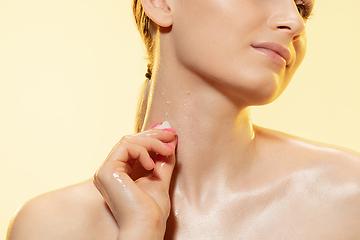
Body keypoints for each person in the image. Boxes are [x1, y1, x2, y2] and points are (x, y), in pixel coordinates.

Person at [6, 0, 360, 239]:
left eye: (302, 5)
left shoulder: (349, 195)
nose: (294, 21)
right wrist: (140, 231)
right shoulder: (49, 226)